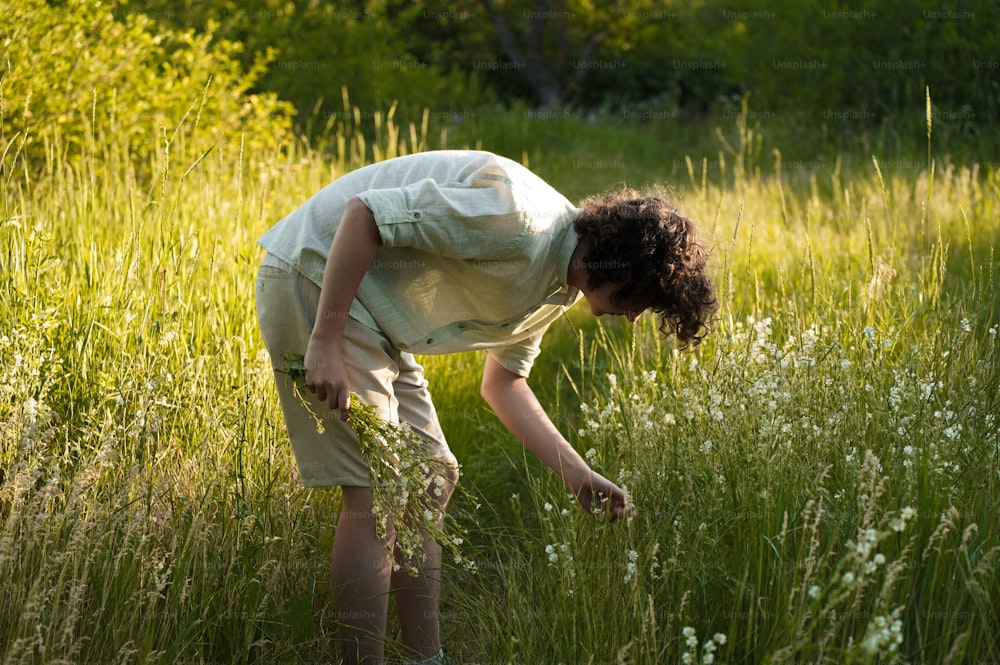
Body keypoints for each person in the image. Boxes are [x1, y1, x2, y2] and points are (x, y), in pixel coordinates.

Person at [254, 150, 717, 664]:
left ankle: (427, 659)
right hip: (314, 281)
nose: (632, 319)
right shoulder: (519, 221)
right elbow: (365, 214)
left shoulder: (557, 287)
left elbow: (504, 385)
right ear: (624, 266)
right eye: (641, 300)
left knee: (431, 478)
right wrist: (324, 341)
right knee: (379, 490)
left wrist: (578, 475)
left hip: (373, 318)